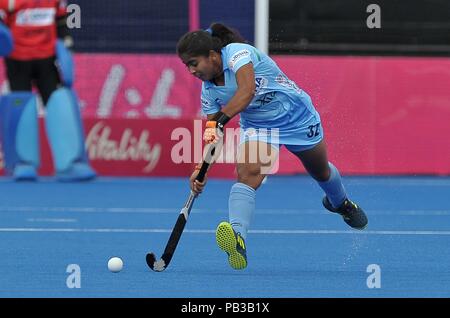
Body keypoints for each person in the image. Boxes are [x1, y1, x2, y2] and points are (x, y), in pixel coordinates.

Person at [176, 23, 368, 270]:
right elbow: (216, 135)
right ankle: (237, 238)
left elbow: (245, 92)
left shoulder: (237, 53)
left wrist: (221, 120)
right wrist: (201, 168)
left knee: (320, 172)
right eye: (187, 66)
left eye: (194, 63)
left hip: (298, 117)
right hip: (259, 128)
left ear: (212, 56)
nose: (191, 70)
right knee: (247, 175)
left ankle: (340, 203)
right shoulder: (209, 92)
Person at [0, 0, 96, 181]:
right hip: (17, 60)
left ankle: (69, 163)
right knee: (21, 107)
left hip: (48, 59)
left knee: (60, 102)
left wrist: (66, 46)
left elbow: (61, 20)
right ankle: (22, 163)